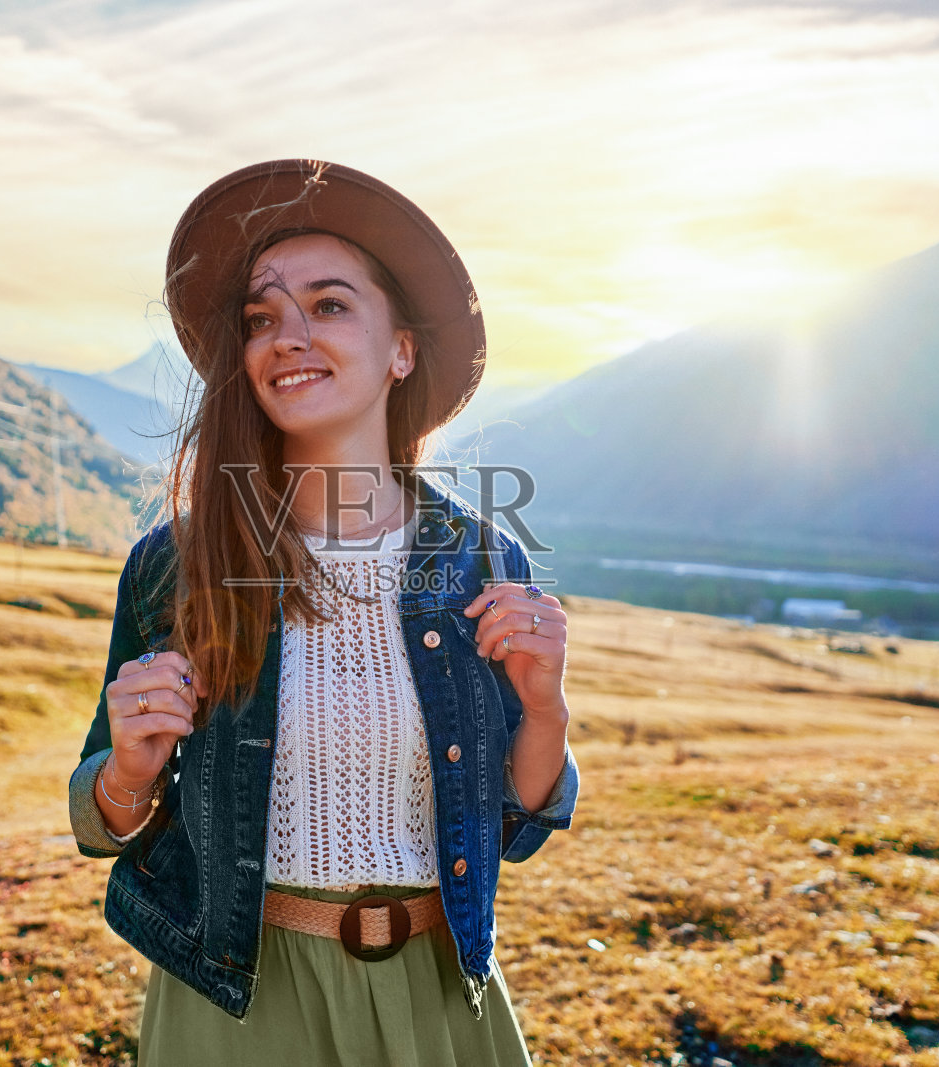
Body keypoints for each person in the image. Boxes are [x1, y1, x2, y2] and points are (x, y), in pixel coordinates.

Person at [68, 159, 579, 1066]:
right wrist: (130, 773)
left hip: (434, 998)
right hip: (233, 1006)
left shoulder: (485, 562)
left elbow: (516, 825)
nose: (286, 336)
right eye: (262, 318)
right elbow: (100, 812)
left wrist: (545, 709)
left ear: (402, 349)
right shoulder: (174, 566)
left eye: (330, 305)